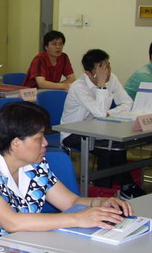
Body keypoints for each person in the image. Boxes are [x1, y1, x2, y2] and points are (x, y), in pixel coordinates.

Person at [0, 101, 133, 242]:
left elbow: (70, 202)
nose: (45, 143)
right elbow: (13, 222)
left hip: (25, 245)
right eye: (38, 138)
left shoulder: (36, 163)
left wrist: (99, 203)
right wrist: (77, 219)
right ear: (16, 143)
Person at [60, 49, 144, 198]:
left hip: (98, 129)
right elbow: (100, 113)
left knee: (117, 144)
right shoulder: (79, 87)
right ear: (88, 73)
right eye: (101, 69)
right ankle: (105, 193)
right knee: (107, 149)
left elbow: (127, 103)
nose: (107, 72)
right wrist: (101, 86)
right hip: (73, 132)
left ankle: (123, 187)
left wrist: (110, 113)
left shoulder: (112, 78)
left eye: (108, 66)